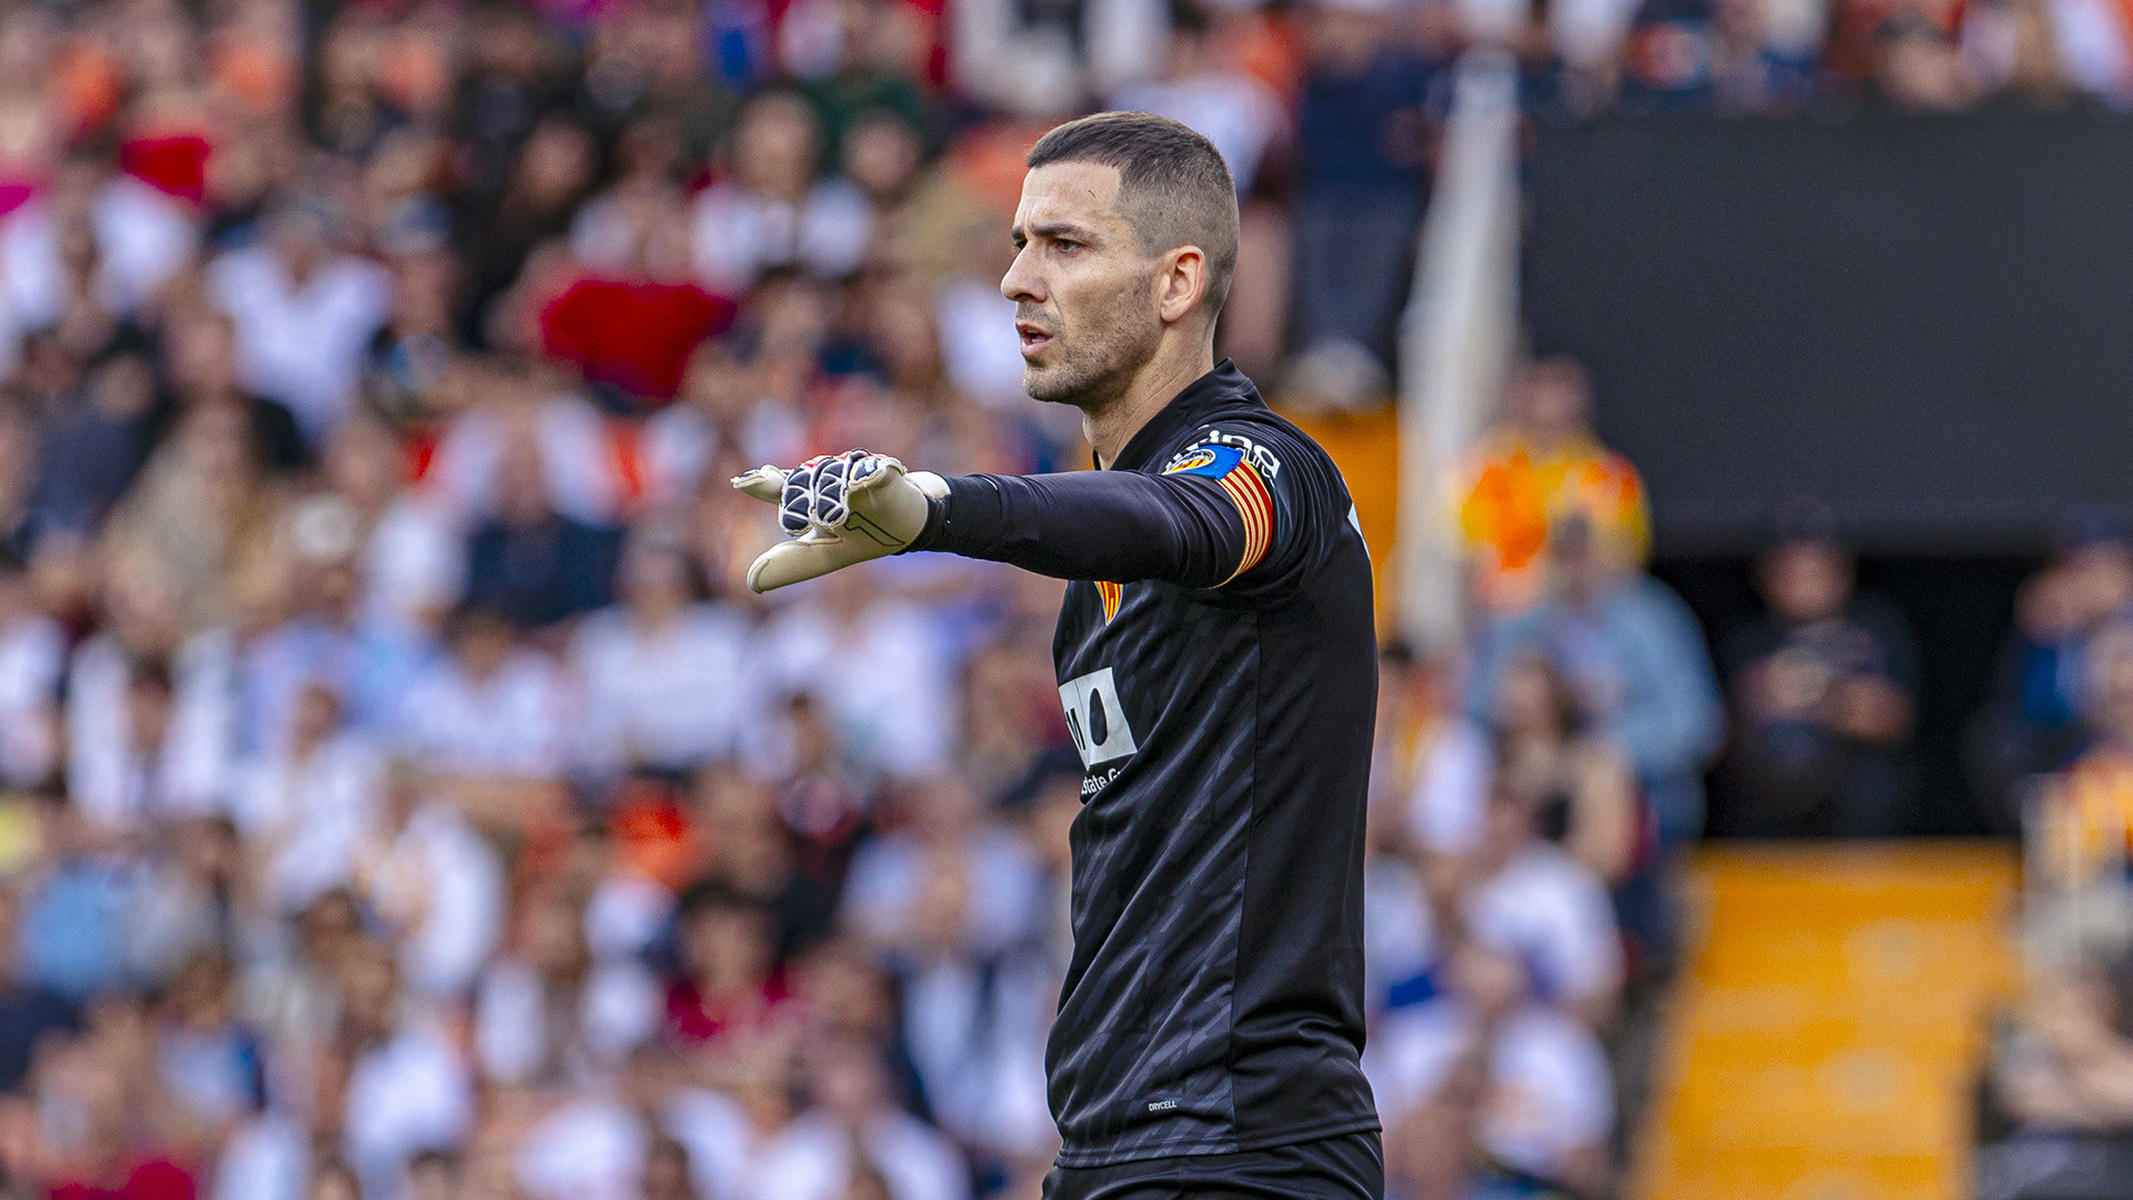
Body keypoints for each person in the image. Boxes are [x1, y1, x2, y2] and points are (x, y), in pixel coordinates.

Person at [732, 112, 1383, 1197]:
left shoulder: (1268, 466)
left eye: (1065, 245)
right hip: (1114, 1144)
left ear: (1177, 283)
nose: (1016, 281)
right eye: (1018, 244)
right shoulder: (1095, 582)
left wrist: (939, 508)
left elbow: (1184, 519)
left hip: (1243, 1147)